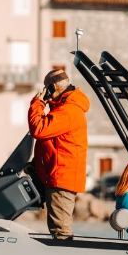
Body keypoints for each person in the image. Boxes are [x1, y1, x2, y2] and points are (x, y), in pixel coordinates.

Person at [28, 68, 90, 240]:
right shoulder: (64, 108)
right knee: (58, 227)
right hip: (55, 174)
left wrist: (38, 103)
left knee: (60, 230)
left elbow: (39, 129)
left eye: (46, 88)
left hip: (61, 179)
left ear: (52, 87)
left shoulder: (69, 111)